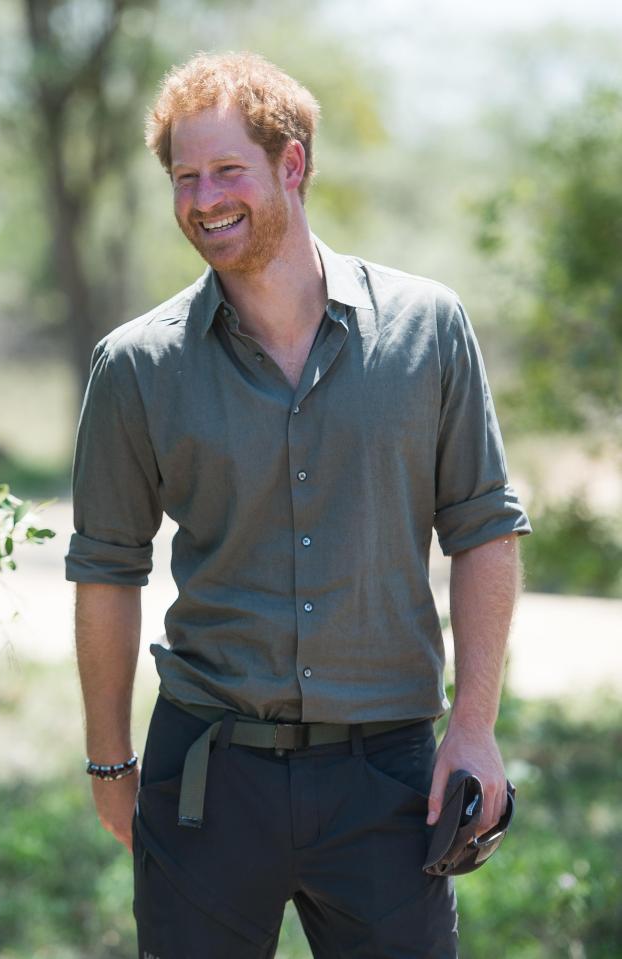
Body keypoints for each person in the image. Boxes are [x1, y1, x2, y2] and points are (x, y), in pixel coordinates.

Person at [64, 51, 532, 959]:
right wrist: (110, 758)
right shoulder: (135, 366)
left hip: (391, 783)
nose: (204, 199)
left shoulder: (428, 328)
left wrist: (473, 728)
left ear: (294, 164)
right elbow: (105, 568)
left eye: (227, 170)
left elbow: (484, 527)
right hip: (207, 775)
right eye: (184, 178)